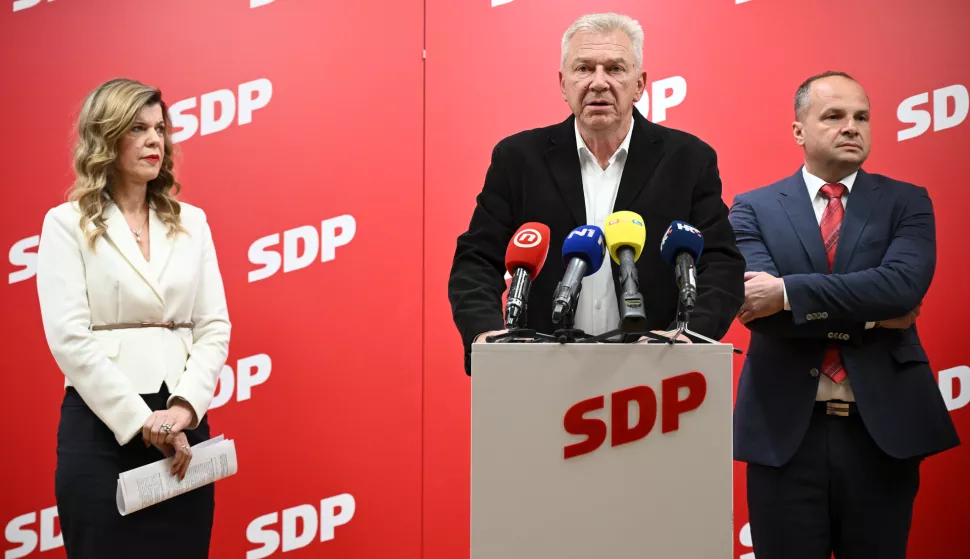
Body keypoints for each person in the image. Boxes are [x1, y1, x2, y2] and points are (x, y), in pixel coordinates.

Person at [730, 71, 959, 559]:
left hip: (882, 434)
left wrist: (789, 292)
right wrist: (872, 315)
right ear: (799, 131)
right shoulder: (751, 208)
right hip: (784, 434)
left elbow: (901, 288)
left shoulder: (907, 201)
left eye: (861, 117)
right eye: (833, 116)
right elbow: (758, 310)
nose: (851, 127)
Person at [447, 12, 745, 374]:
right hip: (542, 368)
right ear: (563, 83)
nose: (598, 82)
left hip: (656, 373)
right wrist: (486, 337)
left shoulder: (688, 159)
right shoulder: (518, 158)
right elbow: (476, 260)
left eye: (615, 69)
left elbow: (722, 264)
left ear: (639, 84)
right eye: (584, 68)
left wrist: (689, 338)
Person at [35, 78, 231, 558]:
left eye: (160, 129)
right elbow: (69, 340)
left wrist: (182, 412)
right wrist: (143, 422)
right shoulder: (66, 223)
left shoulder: (193, 221)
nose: (154, 141)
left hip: (184, 426)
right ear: (107, 136)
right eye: (138, 128)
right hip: (103, 426)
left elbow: (214, 327)